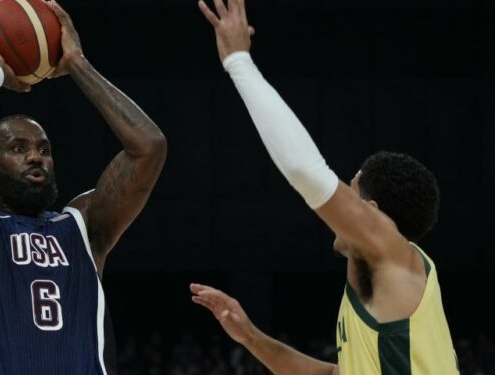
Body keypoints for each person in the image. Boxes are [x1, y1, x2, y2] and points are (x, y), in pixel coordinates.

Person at [190, 0, 458, 373]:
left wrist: (239, 62)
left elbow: (304, 169)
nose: (340, 204)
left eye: (352, 190)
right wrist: (249, 335)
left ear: (375, 214)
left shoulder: (394, 254)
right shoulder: (383, 287)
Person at [0, 1, 166, 373]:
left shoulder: (84, 226)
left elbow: (149, 147)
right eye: (18, 149)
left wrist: (77, 65)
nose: (36, 157)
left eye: (44, 149)